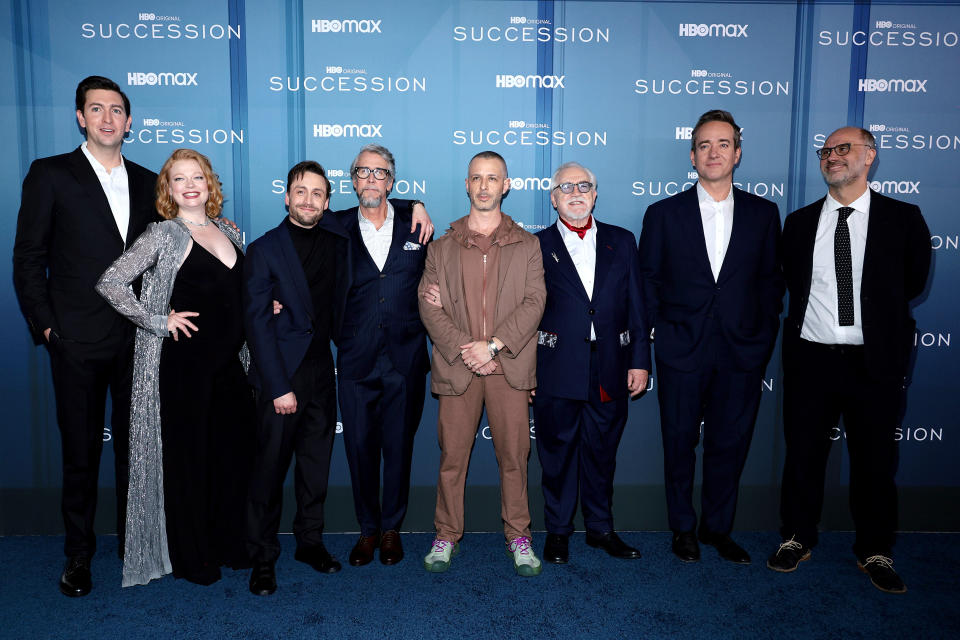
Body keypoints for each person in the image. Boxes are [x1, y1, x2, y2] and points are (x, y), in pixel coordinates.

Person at [767, 127, 931, 594]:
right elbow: (791, 285)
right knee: (802, 455)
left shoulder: (903, 218)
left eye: (844, 149)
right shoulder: (798, 224)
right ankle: (796, 536)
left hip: (875, 362)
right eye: (826, 151)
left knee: (875, 459)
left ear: (870, 157)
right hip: (811, 358)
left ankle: (874, 548)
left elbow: (912, 283)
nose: (833, 157)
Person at [13, 75, 159, 597]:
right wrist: (49, 328)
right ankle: (78, 555)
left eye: (116, 110)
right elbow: (28, 258)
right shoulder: (51, 174)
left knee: (134, 452)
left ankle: (131, 547)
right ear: (80, 117)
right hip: (75, 340)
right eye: (96, 109)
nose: (107, 118)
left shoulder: (148, 181)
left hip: (138, 341)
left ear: (128, 120)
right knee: (80, 453)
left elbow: (182, 238)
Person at [96, 148, 253, 587]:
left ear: (210, 184)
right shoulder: (163, 234)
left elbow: (242, 294)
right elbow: (110, 281)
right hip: (185, 368)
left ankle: (228, 543)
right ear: (168, 189)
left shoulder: (229, 232)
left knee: (232, 457)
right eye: (178, 178)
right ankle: (192, 555)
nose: (189, 185)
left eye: (197, 177)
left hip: (229, 367)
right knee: (190, 462)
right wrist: (156, 319)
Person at [638, 110, 783, 565]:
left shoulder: (764, 213)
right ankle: (682, 528)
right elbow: (649, 284)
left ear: (737, 153)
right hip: (682, 349)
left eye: (723, 144)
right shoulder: (663, 214)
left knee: (730, 442)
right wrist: (662, 335)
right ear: (692, 156)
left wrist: (760, 339)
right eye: (704, 145)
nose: (714, 152)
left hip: (742, 352)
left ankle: (718, 528)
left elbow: (770, 283)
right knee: (679, 442)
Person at [418, 150, 546, 577]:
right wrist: (467, 349)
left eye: (493, 178)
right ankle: (446, 533)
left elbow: (535, 303)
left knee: (515, 457)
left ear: (506, 186)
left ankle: (520, 536)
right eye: (477, 178)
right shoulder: (441, 247)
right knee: (453, 458)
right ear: (467, 185)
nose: (485, 186)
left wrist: (491, 346)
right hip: (459, 369)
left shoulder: (529, 245)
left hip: (508, 366)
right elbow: (429, 306)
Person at [532, 162, 650, 565]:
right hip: (556, 367)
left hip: (610, 366)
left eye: (585, 186)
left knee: (602, 453)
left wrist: (640, 361)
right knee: (557, 455)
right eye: (567, 187)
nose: (577, 192)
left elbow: (638, 306)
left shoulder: (623, 241)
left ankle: (600, 528)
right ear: (553, 198)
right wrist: (528, 371)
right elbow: (524, 313)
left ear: (596, 195)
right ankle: (559, 532)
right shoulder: (535, 245)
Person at [331, 145, 430, 567]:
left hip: (406, 362)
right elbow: (292, 244)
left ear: (392, 181)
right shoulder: (332, 227)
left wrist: (415, 204)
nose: (371, 179)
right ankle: (367, 530)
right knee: (359, 449)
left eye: (380, 173)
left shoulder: (416, 225)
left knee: (398, 449)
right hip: (354, 361)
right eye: (363, 172)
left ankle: (391, 529)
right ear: (352, 180)